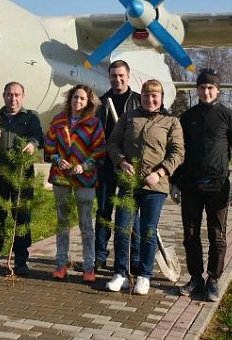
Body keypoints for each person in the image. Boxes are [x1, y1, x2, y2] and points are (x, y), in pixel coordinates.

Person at [105, 79, 185, 295]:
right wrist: (121, 162)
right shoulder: (129, 117)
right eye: (147, 95)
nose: (150, 99)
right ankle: (120, 272)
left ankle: (144, 275)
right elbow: (113, 143)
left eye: (155, 95)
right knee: (122, 229)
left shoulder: (171, 122)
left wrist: (160, 173)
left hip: (154, 187)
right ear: (141, 96)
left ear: (161, 98)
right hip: (129, 183)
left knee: (148, 231)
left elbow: (177, 153)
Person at [173, 68, 232, 302]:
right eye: (202, 87)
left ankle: (213, 279)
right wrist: (175, 183)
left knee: (217, 235)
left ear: (218, 90)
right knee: (191, 234)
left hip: (218, 186)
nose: (206, 91)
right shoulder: (188, 117)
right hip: (190, 186)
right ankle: (196, 278)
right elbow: (178, 151)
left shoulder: (228, 116)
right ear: (197, 90)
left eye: (210, 88)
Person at [0, 82, 44, 276]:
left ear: (23, 96)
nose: (13, 99)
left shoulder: (30, 117)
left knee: (21, 217)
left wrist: (32, 144)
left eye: (17, 95)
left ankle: (21, 259)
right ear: (4, 95)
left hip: (22, 175)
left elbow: (39, 137)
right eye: (9, 94)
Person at [44, 84, 106, 283]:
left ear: (88, 102)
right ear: (69, 98)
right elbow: (49, 146)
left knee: (86, 224)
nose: (77, 101)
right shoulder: (58, 121)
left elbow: (99, 150)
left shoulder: (94, 124)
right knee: (63, 221)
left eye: (82, 99)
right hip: (61, 176)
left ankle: (89, 266)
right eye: (75, 97)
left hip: (85, 179)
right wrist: (56, 159)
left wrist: (85, 166)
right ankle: (61, 264)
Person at [94, 59, 143, 270]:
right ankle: (100, 256)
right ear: (109, 77)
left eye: (121, 75)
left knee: (131, 212)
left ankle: (134, 257)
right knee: (104, 211)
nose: (117, 79)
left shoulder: (139, 102)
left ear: (128, 76)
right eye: (114, 76)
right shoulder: (101, 103)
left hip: (130, 166)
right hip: (106, 164)